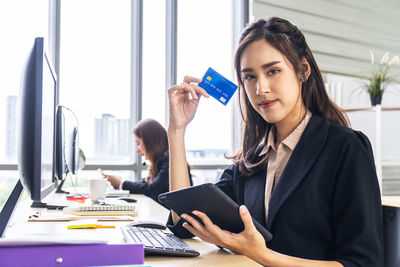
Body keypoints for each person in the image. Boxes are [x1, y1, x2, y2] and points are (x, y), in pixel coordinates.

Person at [166, 17, 383, 266]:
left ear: (303, 70)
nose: (261, 88)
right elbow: (185, 221)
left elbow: (363, 263)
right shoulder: (251, 158)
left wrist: (261, 254)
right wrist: (177, 129)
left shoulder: (346, 148)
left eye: (272, 71)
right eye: (249, 77)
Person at [103, 119, 192, 204]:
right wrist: (121, 183)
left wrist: (121, 183)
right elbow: (146, 183)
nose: (137, 150)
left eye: (138, 143)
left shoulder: (170, 161)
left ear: (150, 141)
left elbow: (152, 190)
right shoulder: (163, 160)